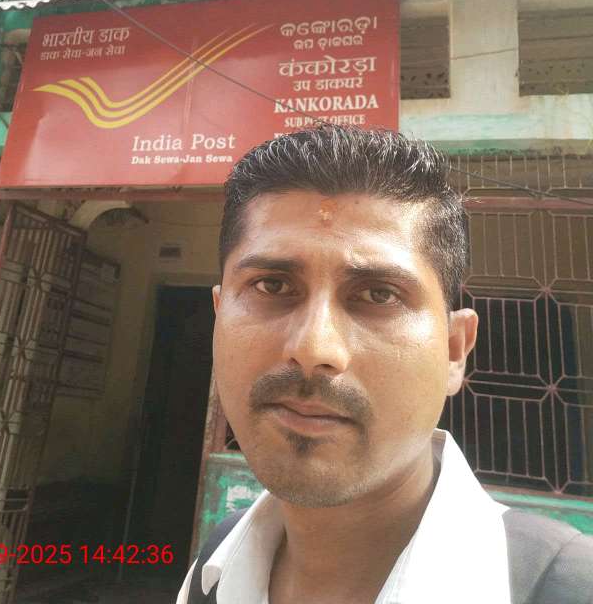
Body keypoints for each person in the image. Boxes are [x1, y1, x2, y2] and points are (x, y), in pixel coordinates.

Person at [176, 126, 593, 604]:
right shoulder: (211, 573)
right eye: (272, 286)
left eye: (379, 294)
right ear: (219, 318)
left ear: (455, 350)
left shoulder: (568, 588)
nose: (314, 347)